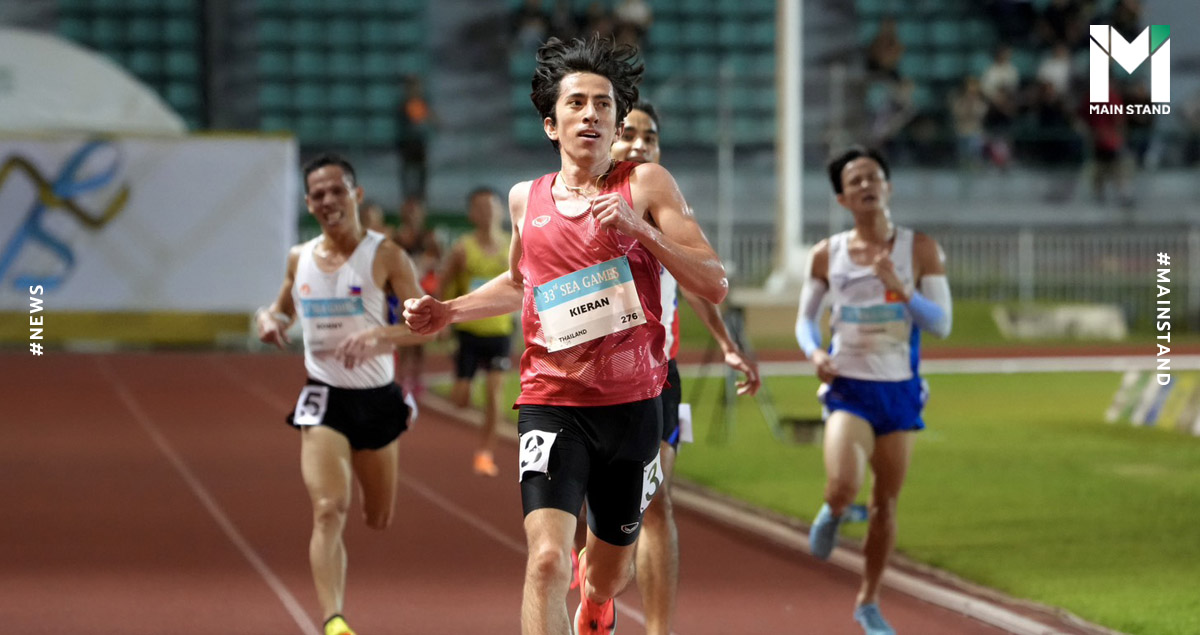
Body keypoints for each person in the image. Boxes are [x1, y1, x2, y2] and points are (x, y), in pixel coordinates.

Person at [404, 35, 727, 635]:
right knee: (548, 560)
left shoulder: (647, 185)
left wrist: (640, 230)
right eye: (576, 103)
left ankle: (598, 604)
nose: (591, 114)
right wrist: (449, 310)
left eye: (603, 104)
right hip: (551, 404)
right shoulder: (525, 200)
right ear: (552, 125)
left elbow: (714, 282)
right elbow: (519, 281)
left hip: (633, 409)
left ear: (617, 122)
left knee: (607, 575)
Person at [256, 153, 426, 635]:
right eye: (318, 194)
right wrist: (268, 319)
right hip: (323, 397)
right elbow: (280, 309)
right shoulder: (299, 257)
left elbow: (426, 326)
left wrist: (379, 335)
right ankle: (334, 620)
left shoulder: (386, 255)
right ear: (309, 204)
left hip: (377, 398)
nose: (329, 200)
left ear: (356, 195)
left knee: (378, 517)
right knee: (329, 509)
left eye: (337, 190)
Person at [608, 101, 761, 635]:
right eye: (628, 132)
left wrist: (726, 343)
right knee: (598, 512)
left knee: (655, 500)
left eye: (650, 136)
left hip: (657, 375)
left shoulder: (665, 206)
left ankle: (658, 630)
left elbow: (696, 284)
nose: (640, 143)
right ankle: (599, 591)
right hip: (593, 380)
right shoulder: (577, 202)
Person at [795, 147, 952, 635]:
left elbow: (942, 324)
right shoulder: (828, 253)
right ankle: (835, 507)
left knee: (885, 503)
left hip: (899, 392)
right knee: (844, 482)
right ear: (843, 199)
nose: (866, 185)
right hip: (849, 388)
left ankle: (868, 601)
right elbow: (805, 320)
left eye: (873, 177)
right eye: (855, 181)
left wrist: (902, 289)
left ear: (888, 187)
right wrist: (814, 352)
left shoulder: (920, 249)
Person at [438, 187, 514, 477]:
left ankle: (485, 454)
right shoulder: (462, 248)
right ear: (472, 214)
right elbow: (445, 283)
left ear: (501, 211)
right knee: (460, 399)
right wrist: (443, 319)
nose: (486, 213)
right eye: (480, 208)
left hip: (499, 332)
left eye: (491, 207)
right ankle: (465, 382)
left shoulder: (512, 245)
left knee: (495, 395)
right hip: (469, 332)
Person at [394, 196, 442, 395]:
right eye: (409, 212)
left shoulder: (429, 237)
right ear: (402, 214)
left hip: (424, 292)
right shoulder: (396, 237)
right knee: (405, 335)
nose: (412, 216)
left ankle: (416, 377)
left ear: (422, 214)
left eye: (415, 212)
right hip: (402, 293)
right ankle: (402, 376)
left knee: (422, 337)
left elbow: (439, 263)